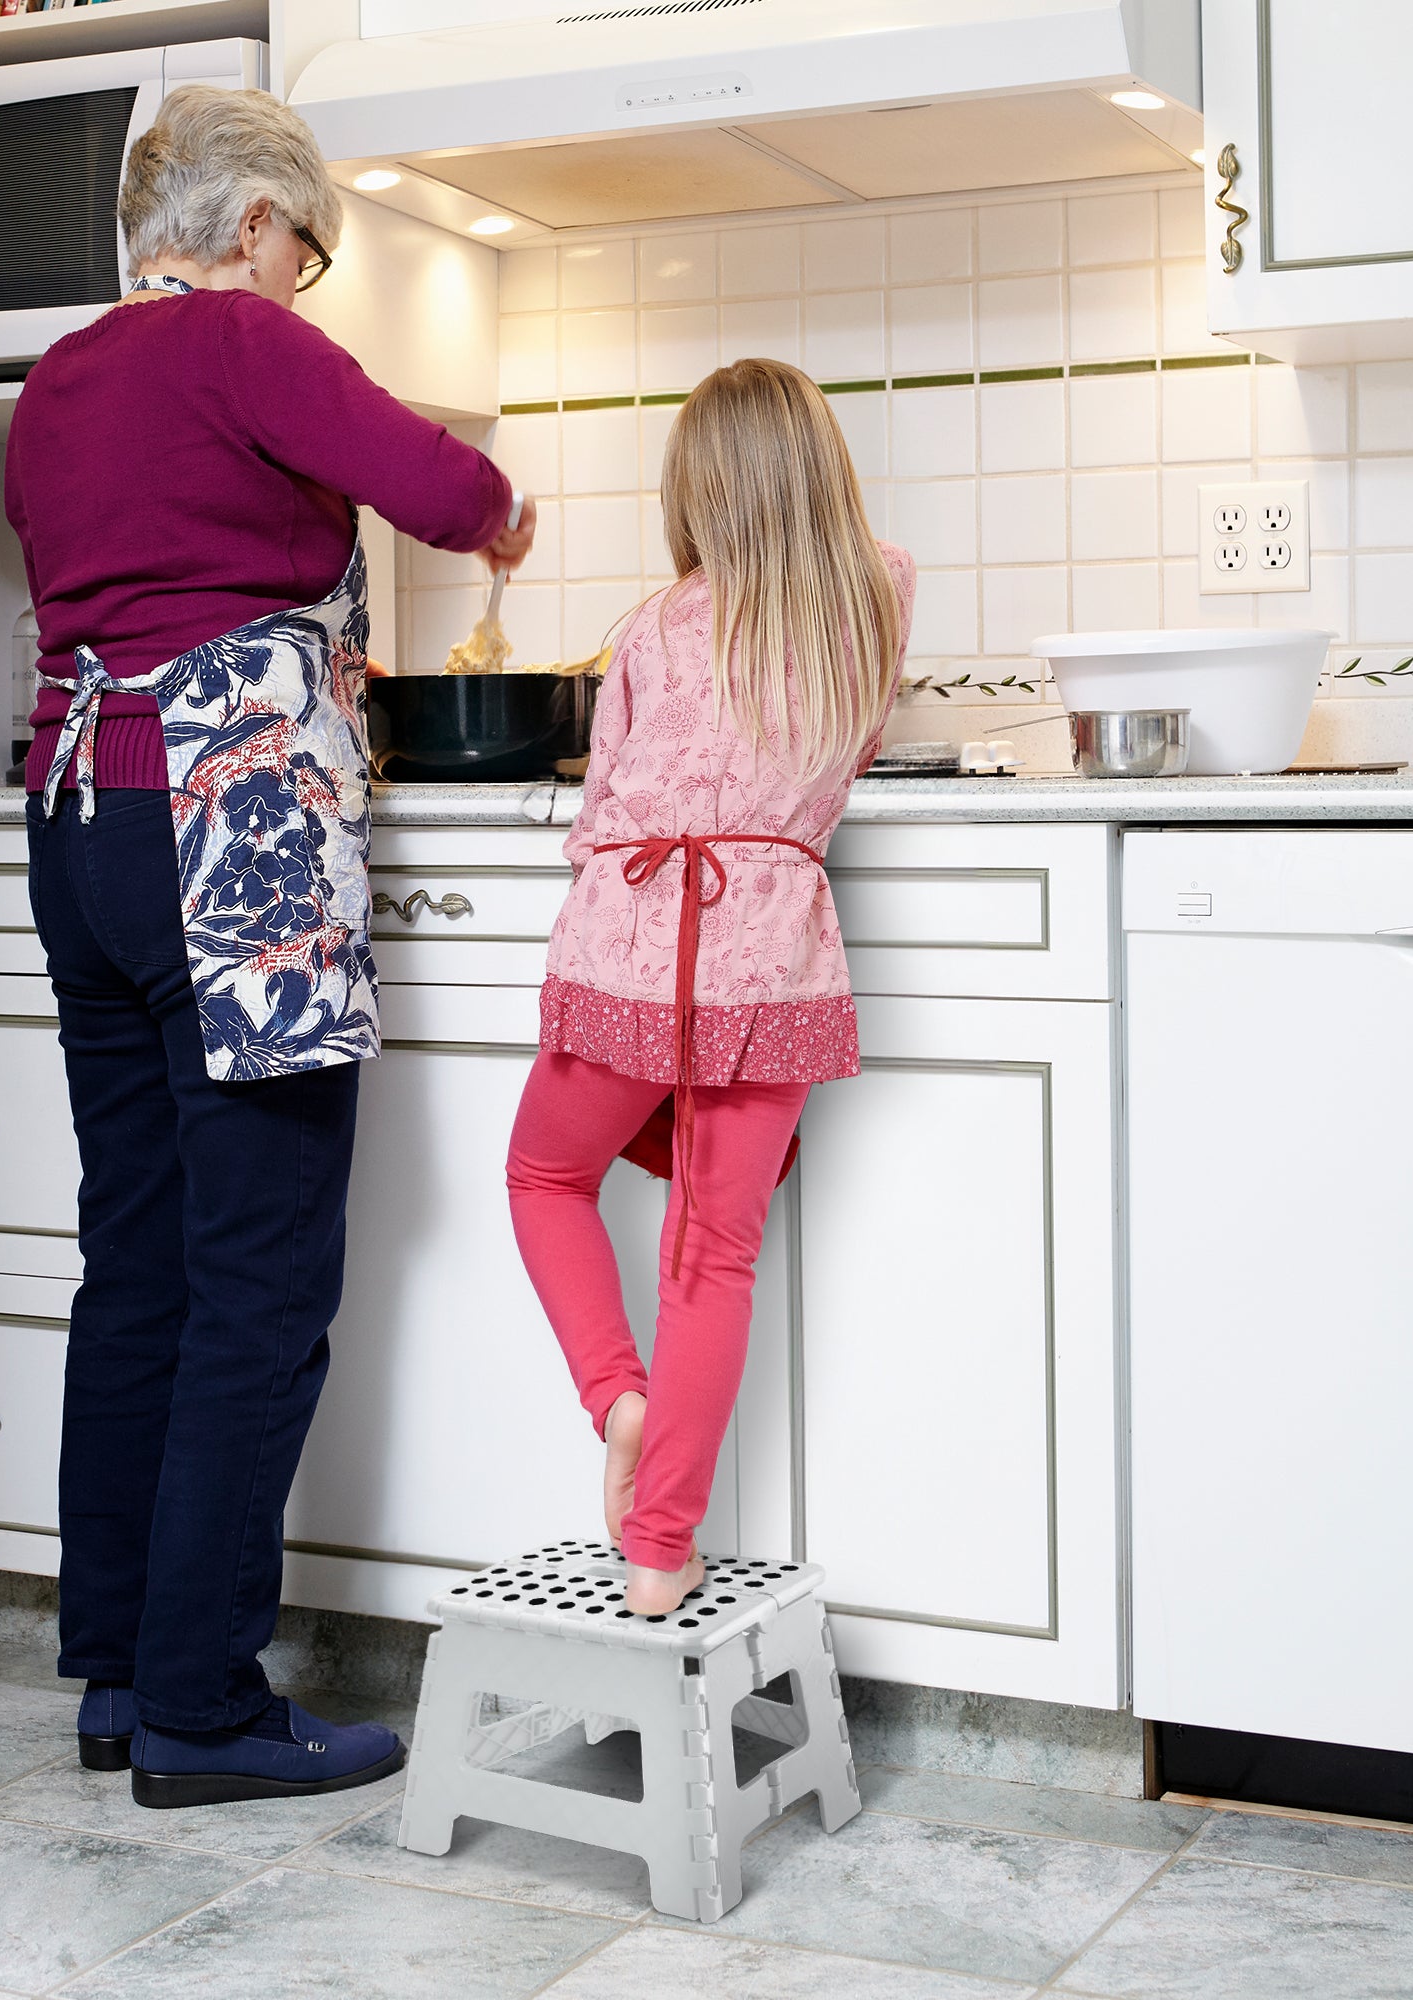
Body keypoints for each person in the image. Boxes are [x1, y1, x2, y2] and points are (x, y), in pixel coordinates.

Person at [4, 84, 535, 1807]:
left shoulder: (61, 376)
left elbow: (147, 573)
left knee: (140, 1259)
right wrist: (510, 523)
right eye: (308, 257)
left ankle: (116, 1678)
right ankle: (205, 1713)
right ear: (253, 230)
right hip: (223, 830)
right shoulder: (240, 340)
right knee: (262, 1273)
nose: (304, 290)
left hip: (81, 822)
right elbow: (446, 486)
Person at [505, 359, 915, 1618]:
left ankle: (615, 1398)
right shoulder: (876, 596)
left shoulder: (646, 626)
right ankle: (659, 1554)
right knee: (712, 1253)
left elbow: (602, 805)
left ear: (694, 490)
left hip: (629, 946)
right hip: (767, 960)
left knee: (542, 1174)